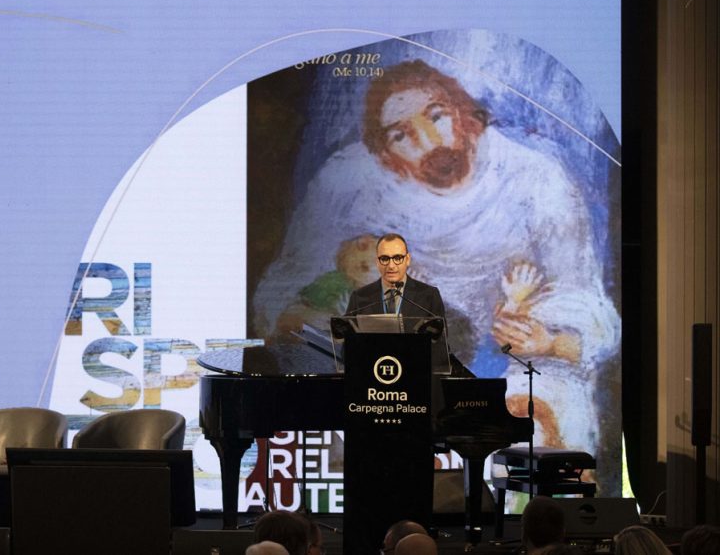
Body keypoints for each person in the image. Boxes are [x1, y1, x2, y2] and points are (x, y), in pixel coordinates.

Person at [253, 58, 621, 465]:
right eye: (401, 135)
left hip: (500, 360)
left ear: (464, 116)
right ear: (385, 155)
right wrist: (316, 322)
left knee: (544, 398)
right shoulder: (350, 182)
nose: (428, 140)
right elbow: (284, 286)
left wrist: (550, 341)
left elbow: (590, 308)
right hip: (391, 365)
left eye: (436, 116)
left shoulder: (534, 177)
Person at [345, 234, 444, 319]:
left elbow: (440, 335)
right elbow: (348, 334)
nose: (391, 266)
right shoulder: (359, 298)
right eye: (384, 259)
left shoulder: (429, 296)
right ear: (377, 262)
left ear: (408, 259)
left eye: (397, 258)